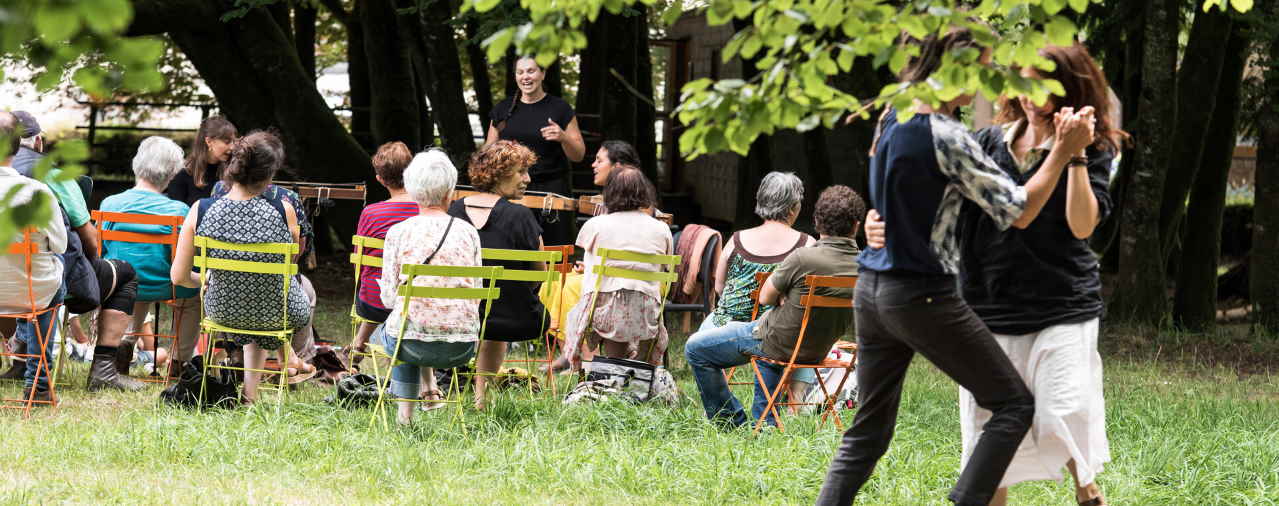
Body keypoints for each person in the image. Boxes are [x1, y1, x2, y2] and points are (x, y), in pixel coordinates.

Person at [815, 28, 1097, 506]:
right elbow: (1019, 209)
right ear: (953, 66)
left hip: (871, 290)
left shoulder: (893, 109)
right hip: (921, 295)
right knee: (1013, 405)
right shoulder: (947, 135)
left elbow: (891, 178)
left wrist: (880, 220)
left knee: (868, 431)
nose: (985, 79)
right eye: (981, 66)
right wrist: (1065, 152)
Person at [685, 185, 861, 428]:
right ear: (856, 226)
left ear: (817, 222)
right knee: (763, 343)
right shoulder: (864, 266)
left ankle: (730, 420)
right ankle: (765, 421)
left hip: (773, 341)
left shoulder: (804, 258)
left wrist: (785, 293)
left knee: (695, 348)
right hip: (817, 350)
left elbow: (766, 297)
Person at [170, 131, 310, 404]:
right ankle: (267, 379)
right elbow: (289, 266)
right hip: (276, 311)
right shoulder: (285, 210)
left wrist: (204, 278)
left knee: (251, 302)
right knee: (267, 298)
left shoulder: (202, 208)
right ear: (270, 175)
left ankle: (251, 395)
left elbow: (178, 276)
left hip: (222, 311)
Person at [373, 149, 482, 425]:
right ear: (451, 192)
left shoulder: (399, 232)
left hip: (410, 344)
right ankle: (429, 388)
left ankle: (404, 417)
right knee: (411, 324)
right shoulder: (468, 232)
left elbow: (387, 299)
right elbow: (476, 292)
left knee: (395, 330)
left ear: (410, 189)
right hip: (462, 345)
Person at [448, 140, 547, 409]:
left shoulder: (454, 211)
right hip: (515, 319)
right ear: (499, 174)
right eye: (520, 172)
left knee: (487, 308)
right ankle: (481, 396)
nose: (527, 179)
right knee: (497, 307)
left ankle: (455, 390)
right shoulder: (521, 215)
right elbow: (540, 274)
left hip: (456, 314)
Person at [99, 136, 201, 379]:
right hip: (166, 285)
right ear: (171, 174)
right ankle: (179, 362)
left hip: (119, 283)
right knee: (193, 298)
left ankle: (124, 342)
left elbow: (101, 251)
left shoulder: (110, 203)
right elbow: (184, 261)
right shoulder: (178, 210)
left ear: (137, 165)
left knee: (132, 280)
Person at [560, 167, 672, 368]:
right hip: (647, 311)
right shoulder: (661, 228)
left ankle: (614, 368)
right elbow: (664, 266)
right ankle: (640, 372)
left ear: (609, 192)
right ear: (644, 192)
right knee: (631, 301)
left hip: (605, 311)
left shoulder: (596, 225)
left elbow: (592, 264)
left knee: (610, 301)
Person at [0, 111, 67, 403]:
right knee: (57, 268)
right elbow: (61, 245)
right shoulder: (38, 193)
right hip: (32, 293)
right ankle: (38, 383)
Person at [485, 56, 585, 246]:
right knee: (513, 246)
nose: (525, 77)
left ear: (543, 74)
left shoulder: (560, 109)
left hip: (551, 190)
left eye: (531, 71)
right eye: (520, 72)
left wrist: (563, 137)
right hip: (511, 188)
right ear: (515, 76)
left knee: (554, 248)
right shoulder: (504, 109)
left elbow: (578, 154)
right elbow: (488, 152)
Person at [701, 171, 814, 332]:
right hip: (773, 332)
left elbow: (720, 287)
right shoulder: (807, 244)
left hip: (721, 329)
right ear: (791, 209)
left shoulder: (736, 240)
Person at [350, 142, 419, 357]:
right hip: (418, 299)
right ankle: (360, 344)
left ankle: (358, 345)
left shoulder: (371, 213)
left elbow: (358, 260)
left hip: (374, 301)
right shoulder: (426, 210)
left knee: (375, 286)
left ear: (379, 178)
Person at [166, 116, 236, 206]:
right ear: (209, 141)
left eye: (233, 142)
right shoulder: (182, 175)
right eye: (227, 142)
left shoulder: (234, 172)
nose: (232, 147)